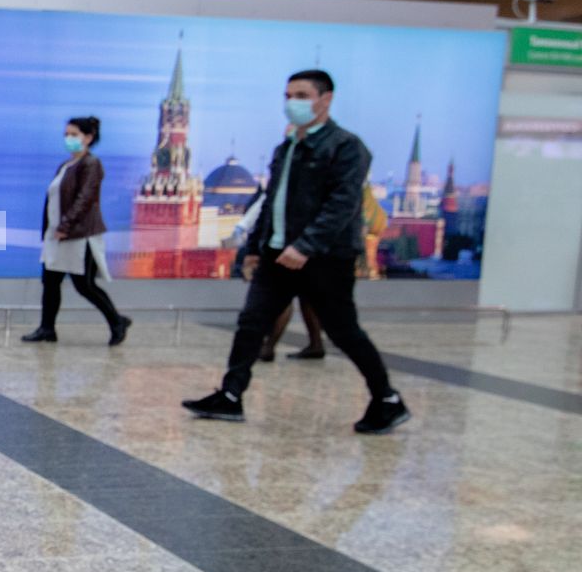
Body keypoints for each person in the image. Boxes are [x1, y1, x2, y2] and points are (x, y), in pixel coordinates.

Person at [184, 69, 409, 433]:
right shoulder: (287, 148)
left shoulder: (346, 146)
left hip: (324, 257)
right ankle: (230, 396)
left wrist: (306, 246)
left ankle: (387, 399)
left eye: (301, 95)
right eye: (288, 95)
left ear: (326, 99)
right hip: (277, 255)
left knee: (343, 330)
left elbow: (343, 204)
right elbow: (272, 201)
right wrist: (255, 249)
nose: (292, 103)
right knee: (252, 322)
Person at [21, 116, 131, 346]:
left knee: (85, 285)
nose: (68, 139)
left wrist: (66, 226)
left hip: (78, 236)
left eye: (74, 134)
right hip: (57, 236)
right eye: (66, 135)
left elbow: (84, 199)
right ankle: (47, 328)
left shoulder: (91, 164)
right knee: (50, 283)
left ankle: (116, 321)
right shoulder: (66, 165)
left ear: (88, 138)